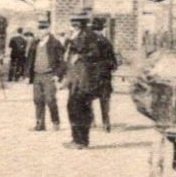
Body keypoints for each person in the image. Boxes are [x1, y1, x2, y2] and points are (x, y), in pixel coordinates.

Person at [27, 19, 66, 131]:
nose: (40, 30)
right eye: (39, 28)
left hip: (50, 75)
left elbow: (62, 62)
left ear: (48, 29)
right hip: (37, 75)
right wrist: (27, 74)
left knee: (50, 99)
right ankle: (40, 124)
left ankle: (55, 121)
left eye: (43, 28)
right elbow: (30, 59)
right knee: (37, 99)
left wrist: (57, 75)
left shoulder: (55, 43)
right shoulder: (35, 43)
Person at [63, 15, 95, 147]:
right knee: (72, 107)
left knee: (80, 108)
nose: (73, 25)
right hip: (75, 78)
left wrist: (80, 56)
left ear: (81, 24)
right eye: (72, 22)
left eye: (75, 23)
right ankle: (76, 138)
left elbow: (95, 53)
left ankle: (82, 140)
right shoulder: (73, 36)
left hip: (84, 78)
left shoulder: (89, 36)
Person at [84, 16, 119, 131]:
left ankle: (91, 121)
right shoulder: (106, 41)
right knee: (104, 99)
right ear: (102, 29)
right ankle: (106, 122)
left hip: (92, 74)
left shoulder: (88, 40)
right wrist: (112, 66)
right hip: (104, 74)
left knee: (88, 98)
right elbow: (113, 60)